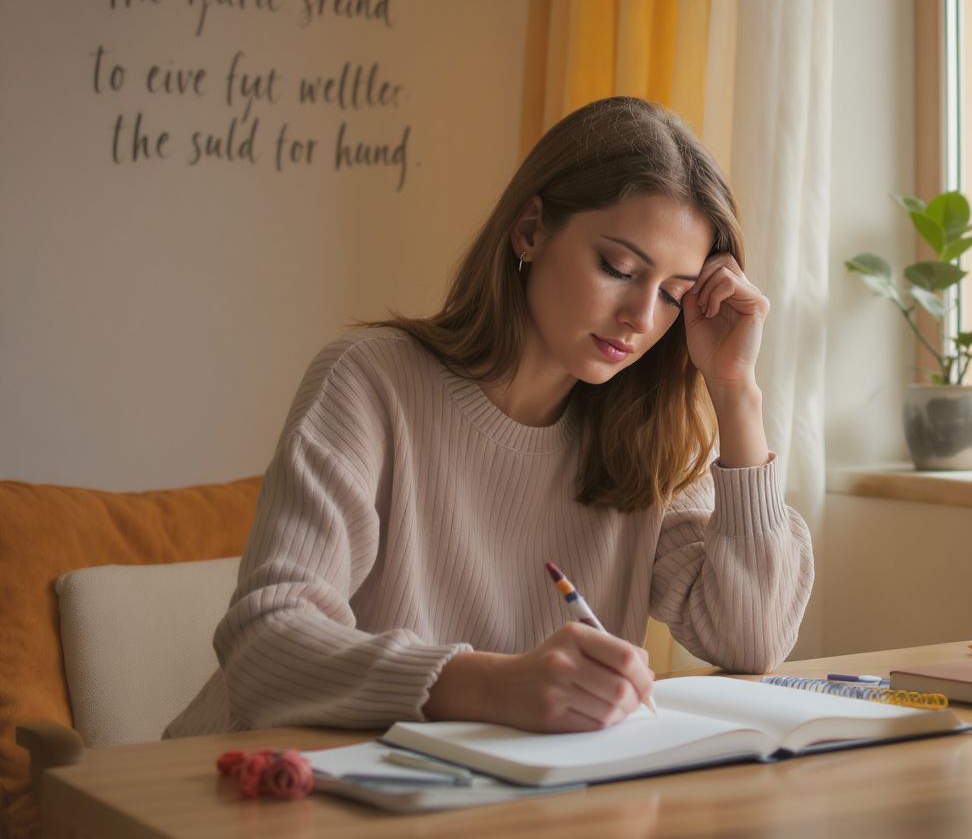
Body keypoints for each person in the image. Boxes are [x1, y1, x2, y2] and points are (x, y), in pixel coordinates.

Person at [165, 96, 814, 739]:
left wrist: (735, 390)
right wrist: (492, 686)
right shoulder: (373, 382)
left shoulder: (648, 436)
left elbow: (750, 640)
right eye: (619, 268)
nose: (643, 319)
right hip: (253, 791)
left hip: (478, 799)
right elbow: (265, 643)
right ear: (530, 229)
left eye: (674, 295)